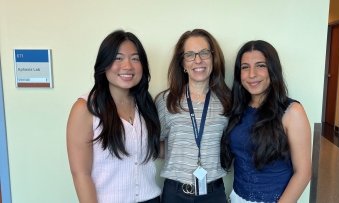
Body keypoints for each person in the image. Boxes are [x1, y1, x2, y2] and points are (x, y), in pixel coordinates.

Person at [66, 30, 161, 203]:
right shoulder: (85, 108)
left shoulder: (146, 104)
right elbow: (81, 174)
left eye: (135, 58)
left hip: (152, 199)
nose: (127, 66)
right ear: (104, 63)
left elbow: (154, 150)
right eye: (118, 58)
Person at [220, 40, 312, 203]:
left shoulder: (292, 111)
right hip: (236, 197)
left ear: (272, 69)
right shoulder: (237, 109)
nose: (252, 74)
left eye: (260, 65)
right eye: (245, 67)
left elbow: (303, 172)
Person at [155, 29, 231, 203]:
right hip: (175, 194)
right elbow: (154, 144)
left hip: (213, 194)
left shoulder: (227, 101)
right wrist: (181, 152)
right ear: (182, 63)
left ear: (213, 58)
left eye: (204, 53)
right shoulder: (166, 101)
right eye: (190, 55)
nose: (198, 60)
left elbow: (231, 144)